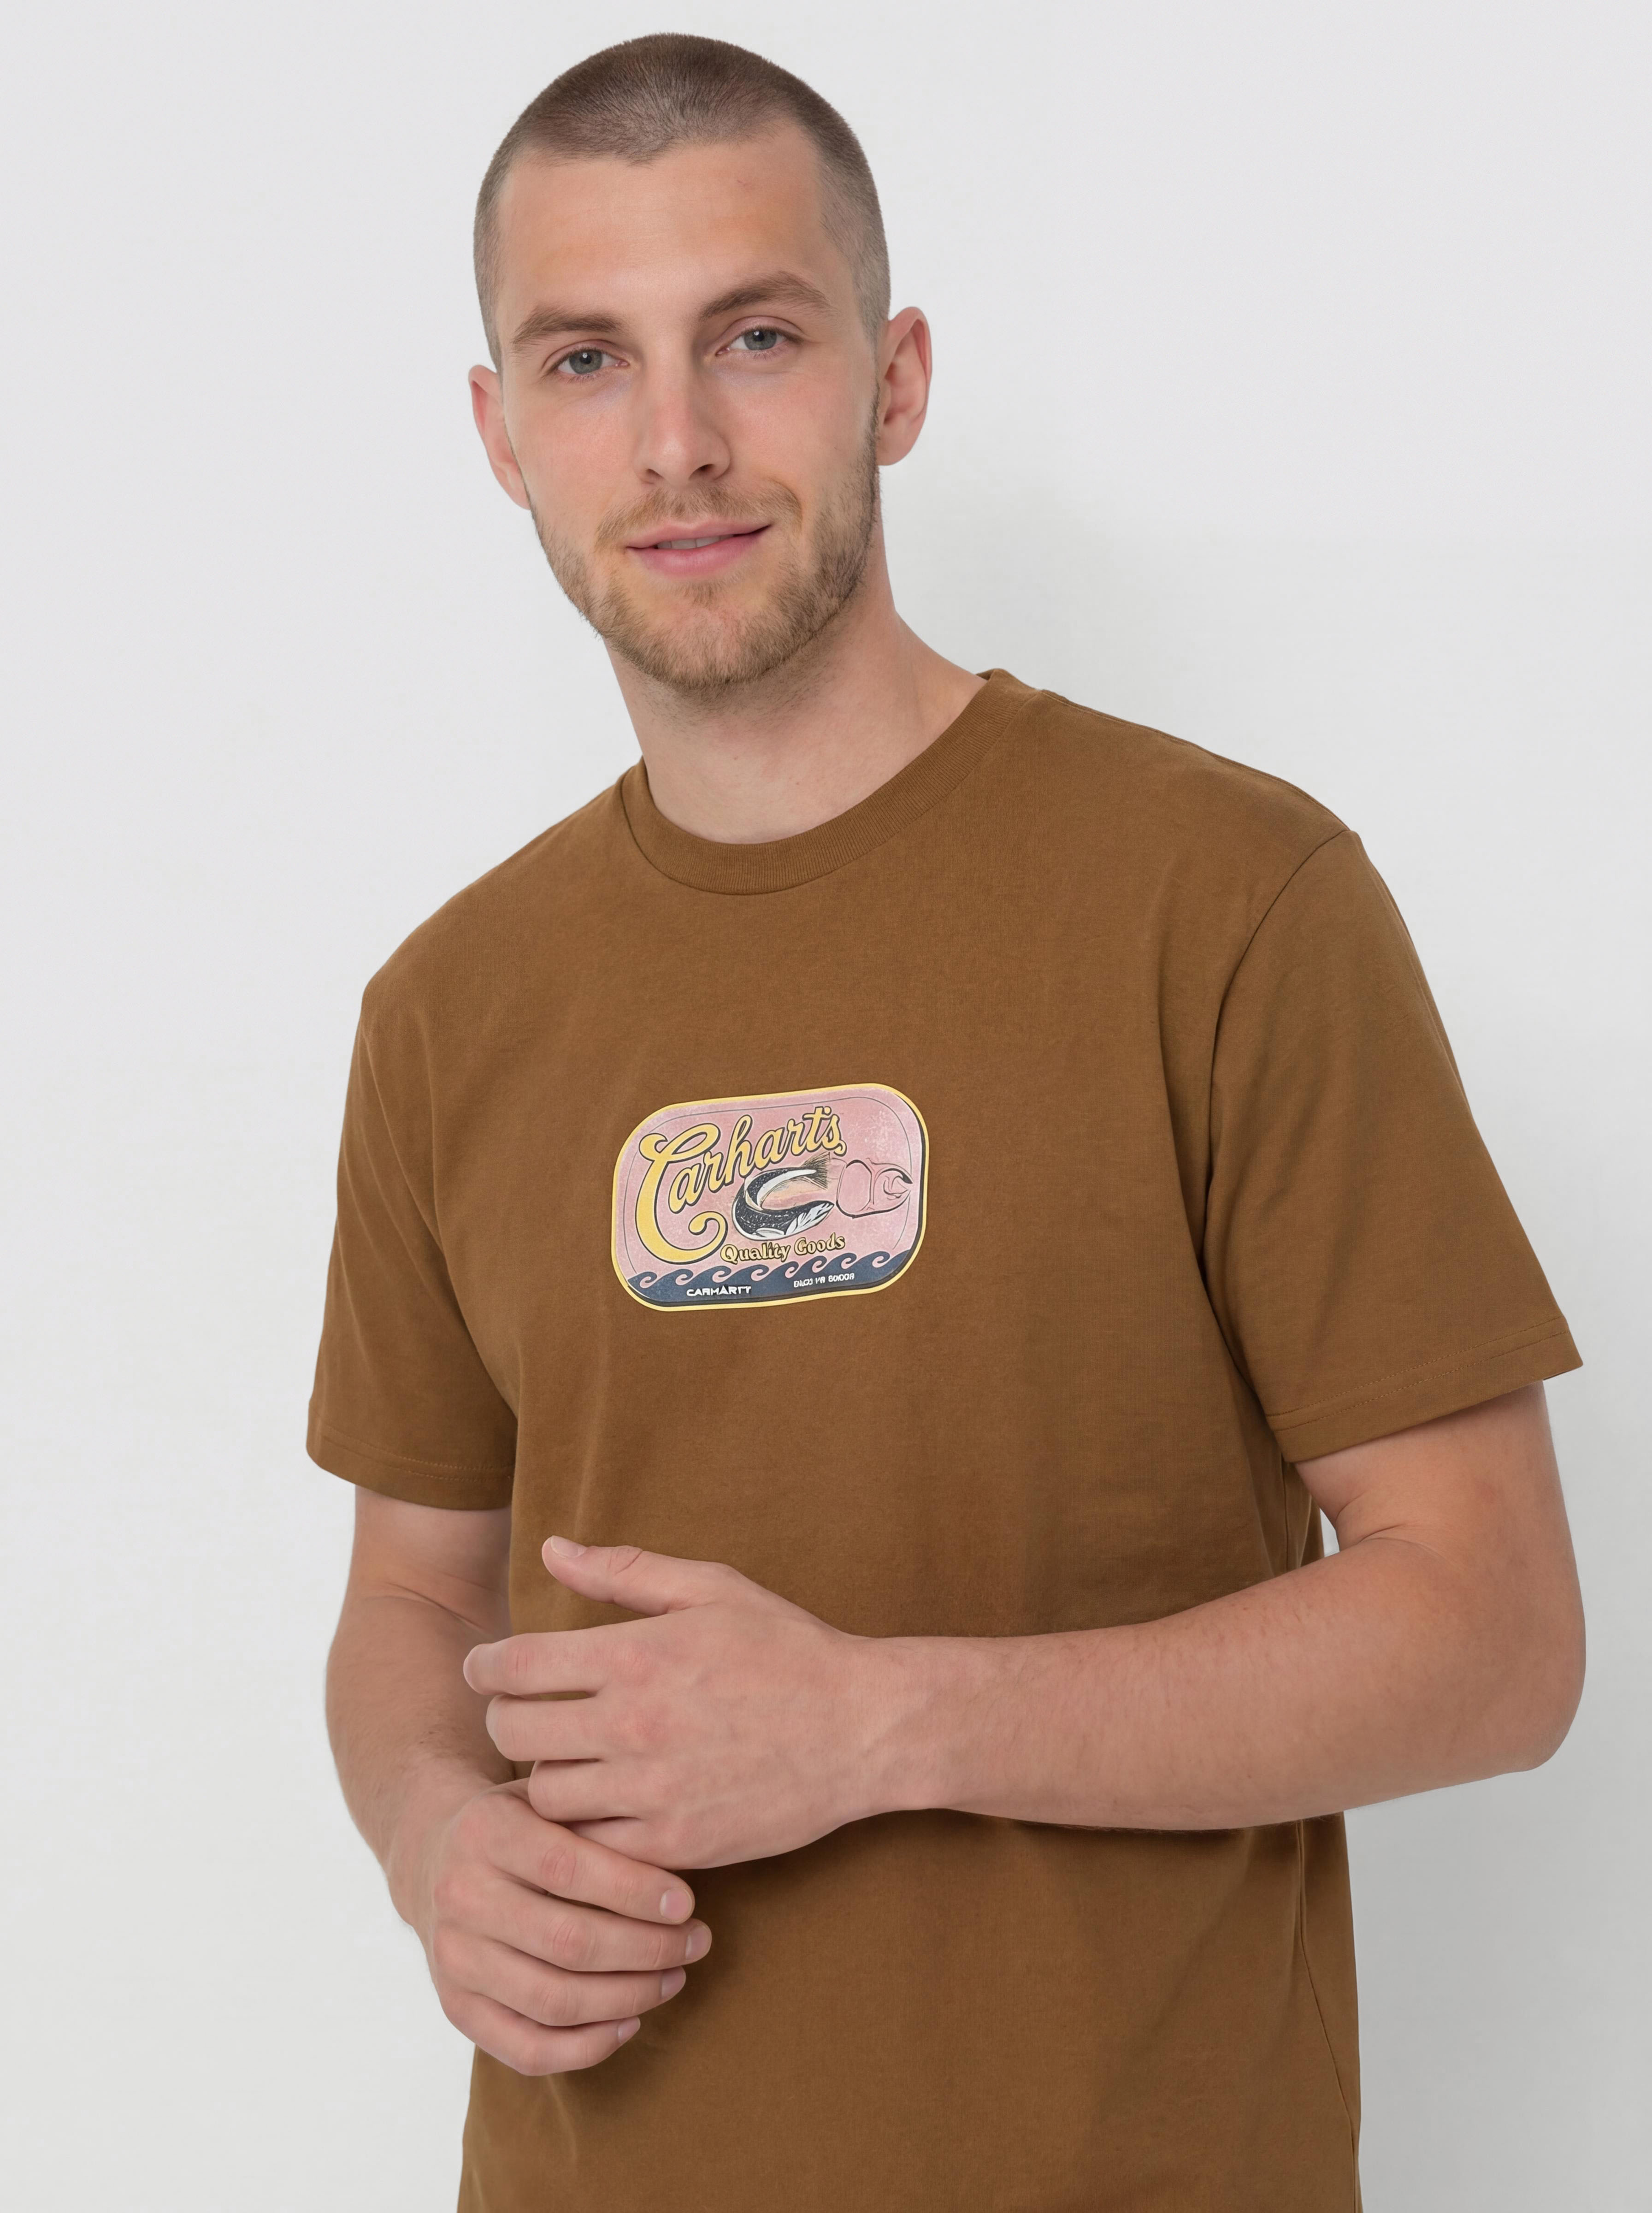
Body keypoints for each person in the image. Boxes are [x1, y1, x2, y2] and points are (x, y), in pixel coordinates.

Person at [308, 32, 1586, 2213]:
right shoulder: (449, 1007)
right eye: (586, 360)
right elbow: (411, 1600)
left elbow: (1492, 1635)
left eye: (756, 336)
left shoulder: (1229, 901)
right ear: (501, 433)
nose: (677, 440)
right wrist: (437, 1838)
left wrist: (880, 1725)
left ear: (892, 381)